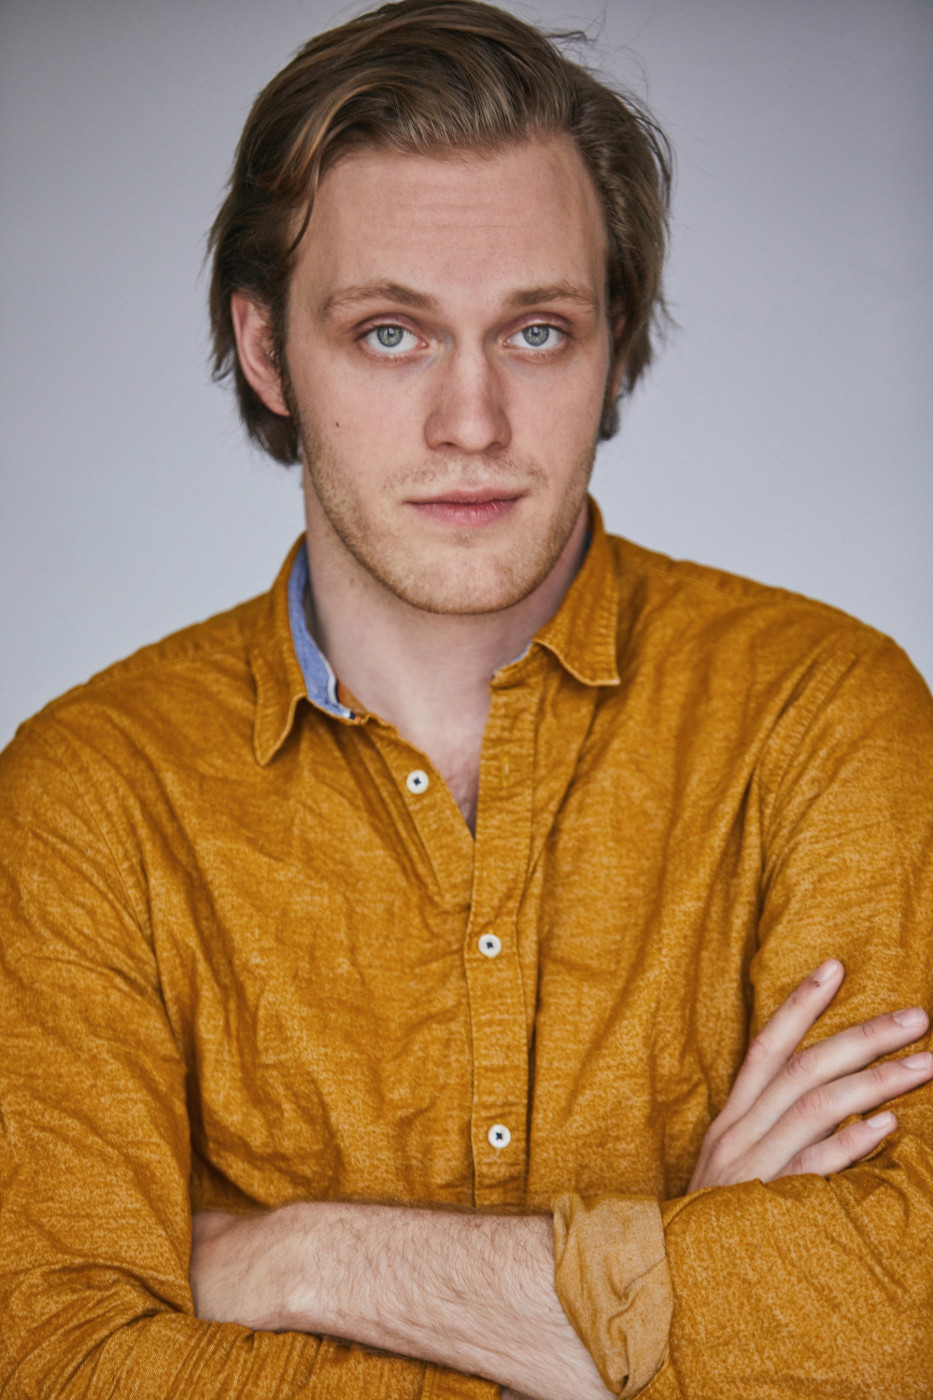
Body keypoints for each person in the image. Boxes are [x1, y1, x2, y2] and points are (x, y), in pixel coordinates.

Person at [1, 1, 931, 1395]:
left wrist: (297, 1256)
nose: (473, 423)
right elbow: (61, 1358)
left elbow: (902, 1313)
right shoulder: (90, 798)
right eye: (390, 334)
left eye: (537, 332)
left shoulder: (823, 716)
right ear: (266, 350)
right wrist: (686, 1287)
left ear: (614, 342)